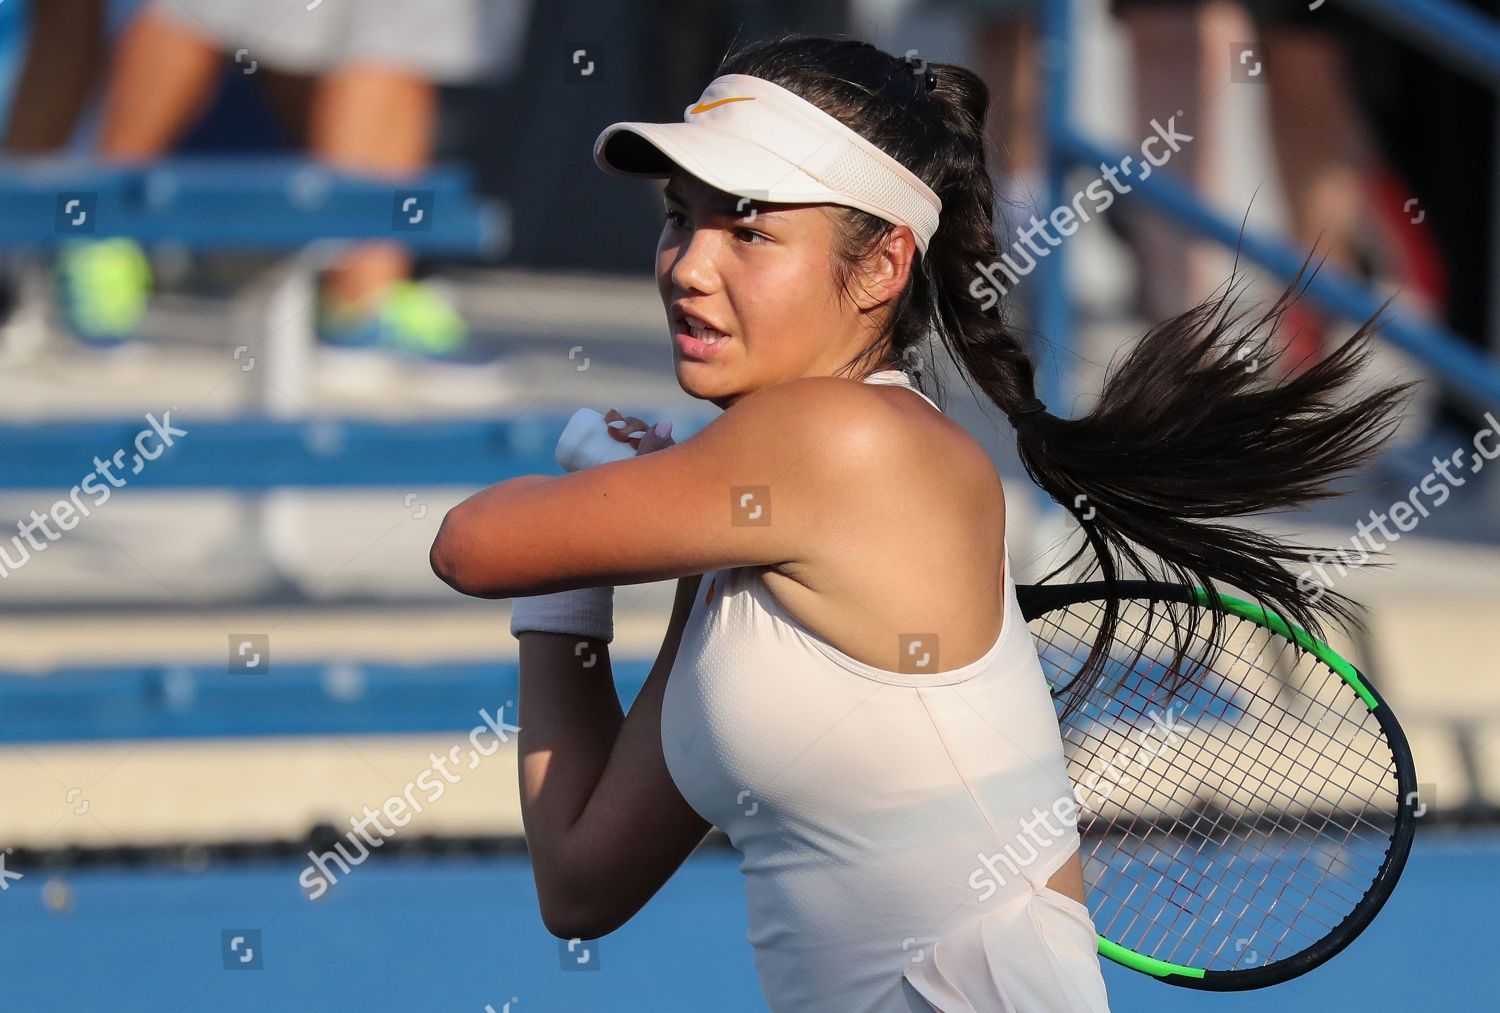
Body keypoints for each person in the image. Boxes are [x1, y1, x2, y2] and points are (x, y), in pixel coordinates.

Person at [429, 34, 1410, 1012]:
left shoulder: (838, 437)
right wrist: (583, 568)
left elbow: (470, 543)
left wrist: (592, 490)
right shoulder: (753, 509)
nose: (689, 264)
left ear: (880, 265)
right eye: (681, 220)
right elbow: (581, 879)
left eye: (750, 231)